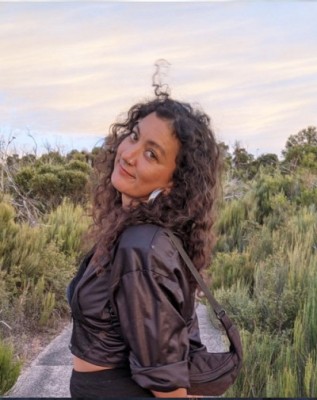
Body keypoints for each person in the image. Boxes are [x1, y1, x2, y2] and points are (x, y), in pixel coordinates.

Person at [68, 88, 221, 397]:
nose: (128, 154)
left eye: (152, 154)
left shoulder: (142, 245)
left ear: (172, 184)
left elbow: (168, 384)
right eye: (134, 137)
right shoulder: (135, 232)